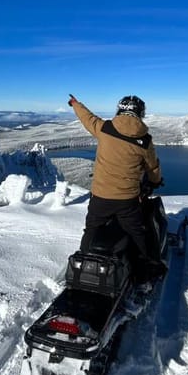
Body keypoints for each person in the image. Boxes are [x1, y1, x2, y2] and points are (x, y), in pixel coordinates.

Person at [68, 94, 165, 280]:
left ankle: (82, 265)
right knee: (137, 231)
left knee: (92, 228)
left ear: (120, 109)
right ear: (140, 113)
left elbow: (87, 118)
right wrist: (154, 181)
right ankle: (146, 267)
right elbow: (152, 167)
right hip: (127, 200)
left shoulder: (105, 128)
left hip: (100, 197)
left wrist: (75, 104)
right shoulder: (144, 140)